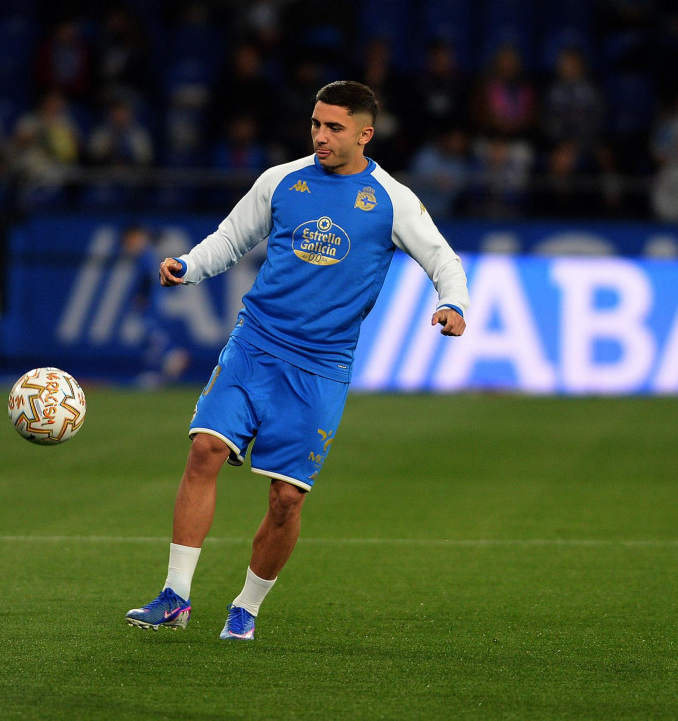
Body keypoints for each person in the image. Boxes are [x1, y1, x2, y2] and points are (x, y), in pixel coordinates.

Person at [125, 81, 468, 641]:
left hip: (320, 367)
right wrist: (187, 265)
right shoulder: (281, 180)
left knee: (285, 499)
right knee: (205, 449)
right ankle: (176, 596)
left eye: (334, 128)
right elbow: (230, 238)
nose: (320, 136)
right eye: (315, 124)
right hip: (254, 344)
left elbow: (442, 259)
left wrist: (452, 303)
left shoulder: (391, 199)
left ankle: (247, 606)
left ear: (365, 134)